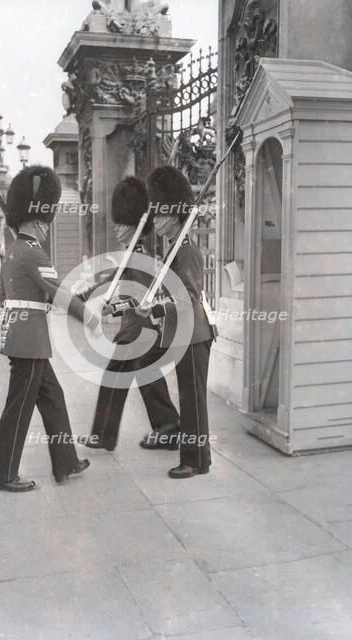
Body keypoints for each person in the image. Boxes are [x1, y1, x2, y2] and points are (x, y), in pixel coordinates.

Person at [0, 165, 99, 492]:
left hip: (23, 337)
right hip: (30, 342)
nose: (48, 229)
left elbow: (33, 296)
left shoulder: (15, 252)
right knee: (19, 409)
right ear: (37, 221)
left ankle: (65, 462)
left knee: (52, 398)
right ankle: (3, 474)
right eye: (46, 223)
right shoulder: (34, 253)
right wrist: (87, 315)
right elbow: (59, 293)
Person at [80, 176, 180, 452]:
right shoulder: (129, 255)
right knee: (136, 381)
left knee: (140, 380)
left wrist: (115, 306)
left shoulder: (139, 257)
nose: (116, 228)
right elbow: (109, 284)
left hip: (141, 330)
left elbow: (141, 297)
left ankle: (166, 428)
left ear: (135, 225)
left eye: (122, 223)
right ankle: (163, 428)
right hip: (132, 330)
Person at [138, 166, 215, 479]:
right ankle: (195, 457)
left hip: (194, 334)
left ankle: (196, 461)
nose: (155, 223)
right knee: (187, 397)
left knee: (193, 401)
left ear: (172, 215)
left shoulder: (186, 251)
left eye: (158, 216)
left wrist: (157, 308)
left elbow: (188, 299)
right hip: (183, 334)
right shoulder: (173, 250)